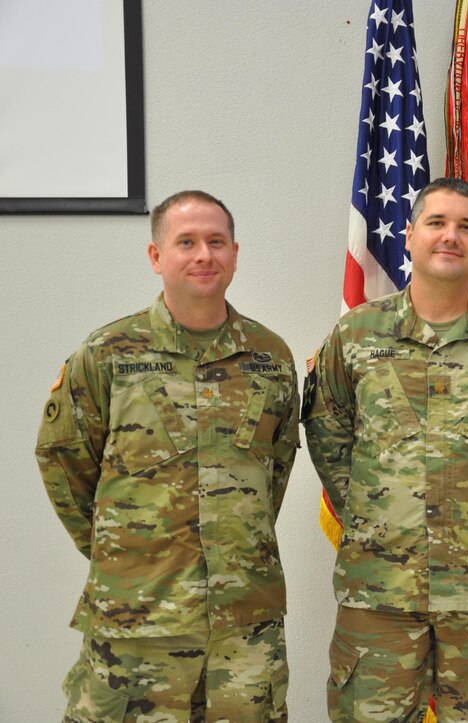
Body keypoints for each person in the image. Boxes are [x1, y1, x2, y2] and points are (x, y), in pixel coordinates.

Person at [303, 177, 468, 722]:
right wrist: (371, 512)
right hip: (379, 590)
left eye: (466, 227)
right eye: (437, 223)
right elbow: (327, 429)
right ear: (409, 234)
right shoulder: (356, 334)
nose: (451, 236)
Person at [35, 190, 300, 722]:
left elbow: (276, 470)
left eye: (216, 241)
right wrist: (124, 553)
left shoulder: (271, 358)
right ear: (157, 257)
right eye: (186, 242)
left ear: (234, 253)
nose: (204, 254)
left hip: (242, 625)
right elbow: (64, 461)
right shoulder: (109, 352)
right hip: (138, 624)